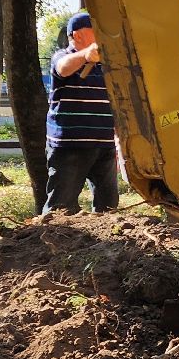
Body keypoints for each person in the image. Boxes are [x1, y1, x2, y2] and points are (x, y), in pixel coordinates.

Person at [44, 11, 119, 213]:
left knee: (109, 207)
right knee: (60, 207)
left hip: (104, 145)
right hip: (71, 147)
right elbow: (63, 68)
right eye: (96, 31)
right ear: (77, 35)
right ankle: (51, 240)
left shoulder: (108, 65)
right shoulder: (63, 56)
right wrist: (85, 55)